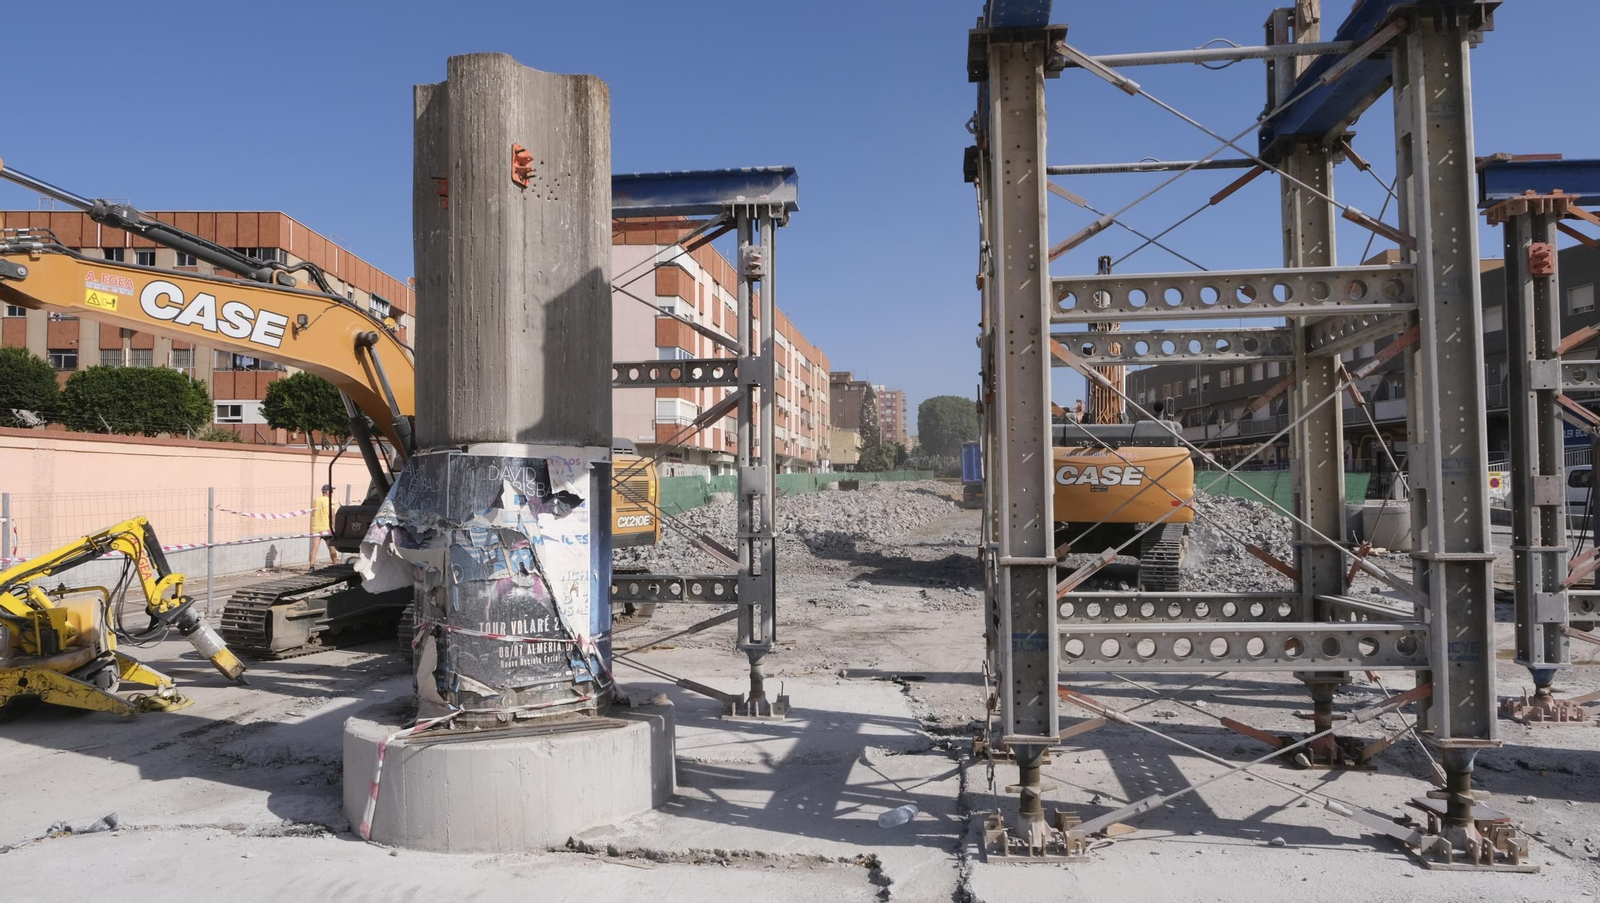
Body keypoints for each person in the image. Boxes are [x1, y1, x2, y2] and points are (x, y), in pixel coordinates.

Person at [309, 484, 339, 570]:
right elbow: (332, 516)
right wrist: (335, 528)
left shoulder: (315, 501)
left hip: (316, 528)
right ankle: (335, 565)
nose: (332, 493)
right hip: (327, 528)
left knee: (314, 548)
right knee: (332, 548)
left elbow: (313, 514)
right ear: (327, 492)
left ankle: (311, 567)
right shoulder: (330, 501)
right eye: (331, 491)